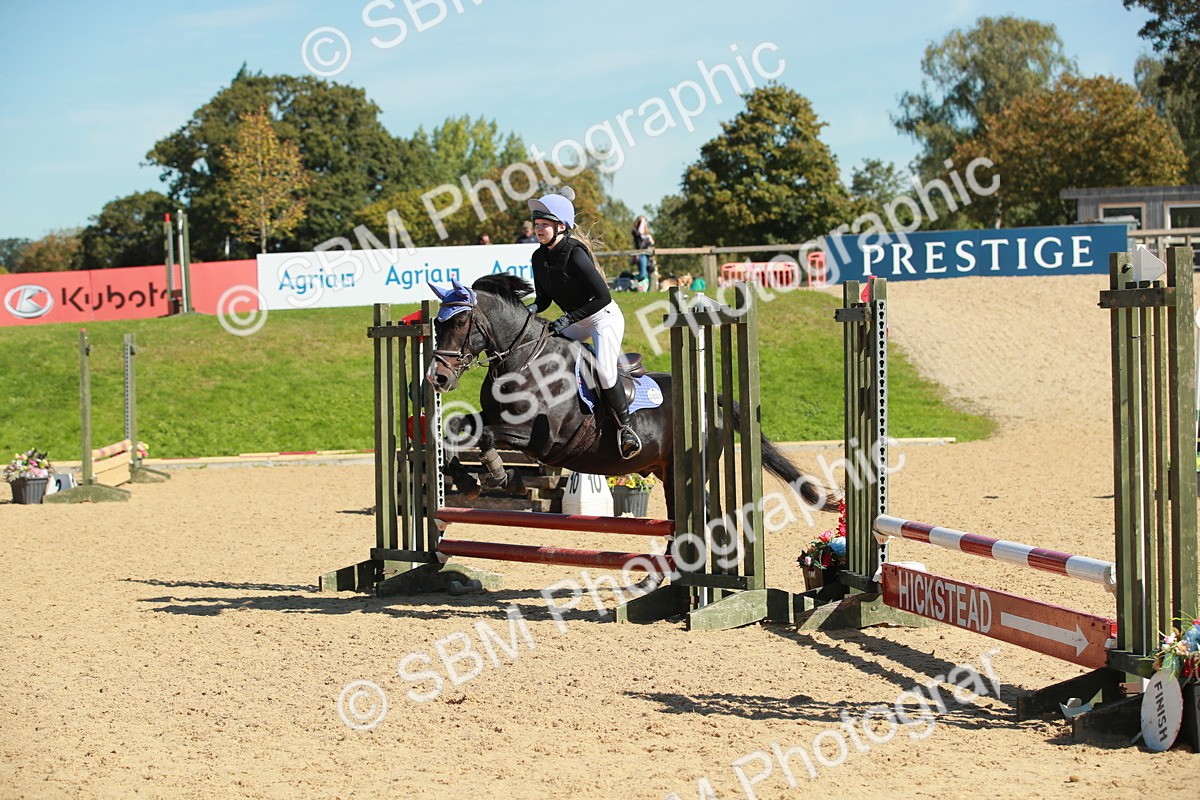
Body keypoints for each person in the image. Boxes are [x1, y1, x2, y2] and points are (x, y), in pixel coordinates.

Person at [527, 186, 642, 459]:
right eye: (537, 224)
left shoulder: (575, 253)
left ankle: (625, 429)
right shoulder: (538, 257)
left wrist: (567, 318)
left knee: (604, 371)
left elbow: (603, 296)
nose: (539, 229)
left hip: (603, 318)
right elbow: (542, 300)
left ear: (562, 226)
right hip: (577, 320)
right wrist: (528, 310)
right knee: (542, 350)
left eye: (545, 224)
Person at [631, 215, 654, 286]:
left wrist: (649, 239)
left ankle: (642, 288)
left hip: (647, 255)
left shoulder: (647, 233)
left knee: (648, 272)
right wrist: (642, 220)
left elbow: (652, 242)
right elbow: (640, 232)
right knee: (643, 273)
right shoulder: (635, 230)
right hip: (640, 254)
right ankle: (635, 284)